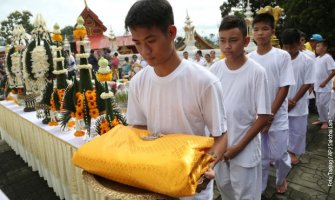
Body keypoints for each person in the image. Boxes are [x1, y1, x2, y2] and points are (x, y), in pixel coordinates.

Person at [124, 0, 227, 199]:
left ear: (171, 33)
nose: (144, 51)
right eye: (137, 43)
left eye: (151, 41)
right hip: (154, 181)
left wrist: (207, 165)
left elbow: (221, 137)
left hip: (191, 185)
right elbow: (137, 131)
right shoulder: (138, 82)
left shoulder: (204, 82)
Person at [210, 15, 271, 200]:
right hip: (219, 148)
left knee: (247, 196)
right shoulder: (215, 70)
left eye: (233, 40)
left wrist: (238, 147)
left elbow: (263, 117)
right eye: (222, 41)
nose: (227, 46)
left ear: (245, 41)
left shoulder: (257, 73)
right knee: (225, 191)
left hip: (244, 149)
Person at [248, 13, 295, 194]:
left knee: (279, 155)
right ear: (252, 32)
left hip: (277, 115)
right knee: (260, 156)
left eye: (265, 29)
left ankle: (282, 178)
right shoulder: (249, 58)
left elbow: (284, 87)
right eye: (257, 29)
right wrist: (260, 116)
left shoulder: (282, 56)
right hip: (257, 116)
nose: (260, 33)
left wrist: (270, 115)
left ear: (272, 31)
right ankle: (260, 186)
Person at [281, 28, 315, 165]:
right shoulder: (281, 59)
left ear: (299, 44)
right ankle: (280, 152)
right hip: (281, 101)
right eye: (286, 47)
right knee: (281, 129)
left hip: (298, 101)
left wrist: (294, 100)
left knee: (297, 130)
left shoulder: (307, 60)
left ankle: (292, 152)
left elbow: (308, 82)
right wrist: (283, 100)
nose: (289, 50)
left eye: (293, 46)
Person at [313, 40, 335, 129]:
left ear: (324, 48)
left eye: (318, 46)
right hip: (317, 86)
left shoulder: (327, 57)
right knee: (318, 104)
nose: (316, 48)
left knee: (325, 104)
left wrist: (325, 81)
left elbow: (333, 71)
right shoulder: (317, 59)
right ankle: (322, 119)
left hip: (325, 86)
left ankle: (327, 122)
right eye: (316, 46)